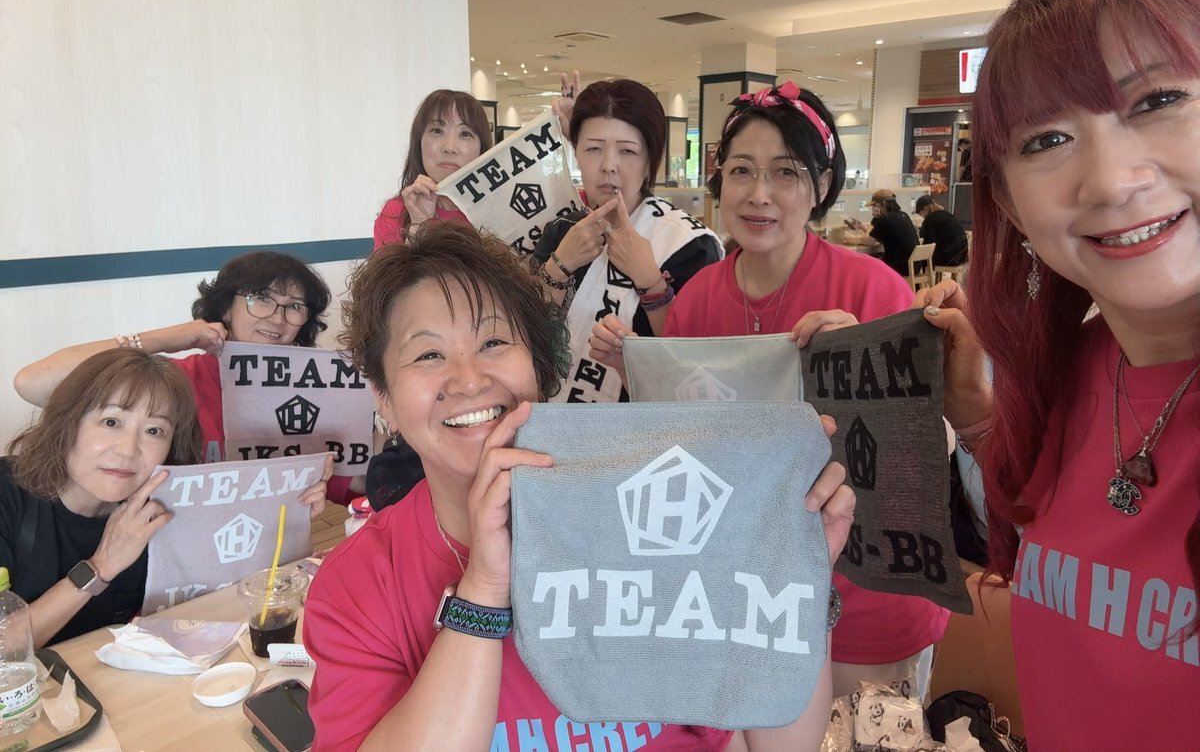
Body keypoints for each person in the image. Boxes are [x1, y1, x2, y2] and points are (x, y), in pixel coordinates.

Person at [303, 221, 855, 751]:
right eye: (429, 354)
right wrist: (485, 589)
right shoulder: (357, 586)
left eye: (493, 341)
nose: (469, 379)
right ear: (384, 400)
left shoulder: (664, 517)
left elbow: (778, 743)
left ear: (540, 370)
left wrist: (799, 578)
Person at [918, 0, 1200, 749]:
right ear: (1007, 202)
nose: (1110, 181)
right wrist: (978, 417)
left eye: (1160, 100)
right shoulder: (1076, 369)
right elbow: (1058, 548)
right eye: (1047, 139)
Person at [591, 82, 950, 698]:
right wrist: (643, 374)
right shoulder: (699, 297)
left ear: (821, 185)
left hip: (865, 593)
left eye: (786, 172)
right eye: (741, 171)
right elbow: (688, 452)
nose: (759, 193)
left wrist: (865, 370)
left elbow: (922, 459)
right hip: (742, 595)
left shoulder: (872, 290)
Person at [1, 348, 328, 646]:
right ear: (67, 424)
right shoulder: (8, 495)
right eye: (111, 422)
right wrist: (102, 565)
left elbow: (229, 587)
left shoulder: (165, 506)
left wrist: (284, 513)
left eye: (154, 431)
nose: (128, 449)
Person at [14, 252, 340, 497]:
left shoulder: (319, 388)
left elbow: (347, 481)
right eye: (261, 298)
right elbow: (33, 382)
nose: (278, 318)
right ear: (225, 308)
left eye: (294, 306)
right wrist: (163, 340)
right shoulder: (174, 381)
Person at [532, 78, 722, 402]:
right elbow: (524, 333)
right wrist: (559, 266)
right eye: (593, 149)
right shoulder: (562, 230)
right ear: (577, 154)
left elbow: (697, 364)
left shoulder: (688, 245)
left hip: (645, 426)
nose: (608, 166)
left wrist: (651, 283)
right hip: (555, 420)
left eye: (628, 151)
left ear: (650, 163)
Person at [373, 89, 492, 249]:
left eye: (465, 134)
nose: (450, 147)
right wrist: (418, 227)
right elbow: (389, 268)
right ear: (419, 142)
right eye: (437, 131)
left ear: (482, 149)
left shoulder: (500, 209)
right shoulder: (396, 213)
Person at [844, 189, 919, 277]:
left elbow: (868, 242)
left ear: (883, 204)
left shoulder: (885, 219)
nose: (873, 209)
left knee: (866, 266)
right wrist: (862, 227)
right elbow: (877, 234)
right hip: (914, 266)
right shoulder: (904, 215)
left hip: (900, 267)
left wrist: (874, 221)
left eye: (874, 205)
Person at [914, 194, 968, 267]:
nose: (922, 216)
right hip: (962, 255)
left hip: (951, 257)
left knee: (924, 257)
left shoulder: (929, 220)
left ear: (925, 209)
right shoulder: (946, 215)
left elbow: (925, 243)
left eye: (920, 214)